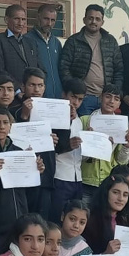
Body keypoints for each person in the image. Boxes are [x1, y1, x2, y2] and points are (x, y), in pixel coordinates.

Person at [0, 107, 44, 256]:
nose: (1, 127)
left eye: (5, 122)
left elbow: (30, 190)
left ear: (11, 126)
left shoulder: (20, 152)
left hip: (20, 217)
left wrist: (36, 172)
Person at [60, 4, 124, 115]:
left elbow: (119, 69)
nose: (93, 21)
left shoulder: (110, 41)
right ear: (84, 20)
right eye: (90, 18)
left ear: (102, 22)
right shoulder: (74, 41)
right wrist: (75, 91)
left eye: (97, 19)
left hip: (105, 98)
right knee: (84, 128)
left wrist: (114, 92)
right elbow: (64, 67)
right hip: (83, 99)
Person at [11, 67, 57, 219]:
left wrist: (56, 140)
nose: (36, 89)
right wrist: (24, 115)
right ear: (23, 87)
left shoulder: (54, 110)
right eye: (32, 85)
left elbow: (63, 145)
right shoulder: (13, 110)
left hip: (46, 174)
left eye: (40, 85)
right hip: (23, 174)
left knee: (43, 221)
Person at [80, 83, 129, 203]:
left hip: (109, 181)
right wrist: (90, 142)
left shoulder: (123, 125)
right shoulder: (84, 121)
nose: (111, 101)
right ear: (100, 97)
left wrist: (127, 146)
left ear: (120, 103)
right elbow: (77, 157)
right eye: (108, 96)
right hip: (86, 180)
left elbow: (121, 161)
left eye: (116, 99)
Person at [50, 79, 88, 222]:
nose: (76, 102)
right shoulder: (52, 118)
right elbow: (50, 148)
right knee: (56, 219)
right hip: (59, 176)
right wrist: (67, 145)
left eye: (80, 99)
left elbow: (79, 155)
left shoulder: (79, 121)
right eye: (73, 97)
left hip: (77, 177)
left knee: (73, 220)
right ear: (63, 94)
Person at [0, 4, 41, 87]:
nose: (20, 23)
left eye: (23, 19)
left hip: (31, 92)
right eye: (16, 19)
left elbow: (39, 68)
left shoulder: (31, 42)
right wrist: (17, 89)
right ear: (6, 19)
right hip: (9, 93)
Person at [24, 4, 63, 98]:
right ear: (38, 17)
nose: (49, 23)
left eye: (52, 20)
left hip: (58, 96)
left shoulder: (56, 42)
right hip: (38, 96)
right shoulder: (26, 40)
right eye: (46, 19)